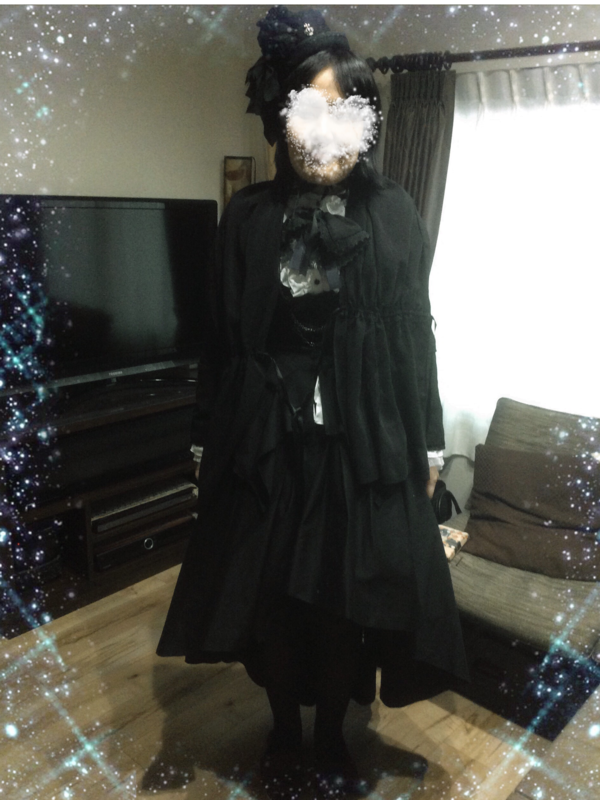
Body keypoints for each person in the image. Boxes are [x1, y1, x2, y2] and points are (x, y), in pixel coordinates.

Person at [157, 7, 468, 799]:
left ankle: (330, 734)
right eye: (310, 112)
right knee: (270, 609)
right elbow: (221, 343)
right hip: (265, 445)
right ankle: (283, 731)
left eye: (347, 113)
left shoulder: (395, 213)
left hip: (361, 451)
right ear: (281, 120)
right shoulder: (246, 218)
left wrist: (429, 446)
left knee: (342, 611)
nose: (328, 134)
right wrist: (204, 443)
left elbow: (416, 336)